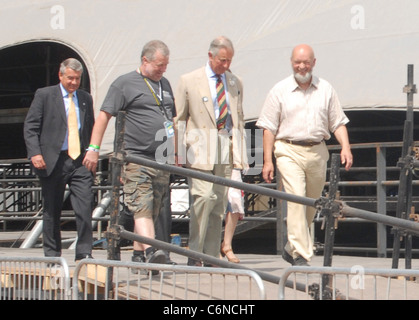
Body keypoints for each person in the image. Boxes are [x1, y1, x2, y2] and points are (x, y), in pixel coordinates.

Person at [256, 44, 353, 266]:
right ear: (291, 62)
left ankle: (291, 248)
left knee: (311, 202)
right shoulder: (279, 90)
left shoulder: (326, 89)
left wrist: (346, 147)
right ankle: (301, 254)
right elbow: (268, 128)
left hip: (318, 150)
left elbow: (337, 122)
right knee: (297, 199)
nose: (301, 66)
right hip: (288, 149)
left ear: (314, 63)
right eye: (297, 62)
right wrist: (267, 161)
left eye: (306, 62)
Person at [83, 40, 175, 267]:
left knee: (153, 207)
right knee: (141, 204)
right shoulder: (124, 84)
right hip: (136, 156)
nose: (163, 69)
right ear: (145, 60)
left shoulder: (165, 84)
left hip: (162, 157)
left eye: (165, 65)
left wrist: (176, 153)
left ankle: (137, 253)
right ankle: (153, 252)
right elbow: (104, 116)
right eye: (159, 65)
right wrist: (94, 149)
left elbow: (171, 120)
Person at [174, 36, 247, 266]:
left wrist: (240, 155)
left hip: (226, 143)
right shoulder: (188, 80)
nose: (225, 66)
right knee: (203, 197)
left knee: (218, 202)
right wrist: (176, 150)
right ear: (210, 56)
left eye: (229, 61)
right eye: (222, 61)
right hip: (199, 145)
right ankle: (195, 252)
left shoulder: (235, 82)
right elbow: (179, 118)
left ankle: (212, 254)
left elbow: (239, 120)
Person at [24, 58, 95, 261]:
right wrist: (35, 153)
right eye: (70, 78)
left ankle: (84, 253)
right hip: (52, 160)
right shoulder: (45, 95)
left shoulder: (85, 98)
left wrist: (92, 152)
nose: (74, 82)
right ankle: (52, 255)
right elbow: (31, 127)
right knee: (52, 210)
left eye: (77, 79)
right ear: (60, 75)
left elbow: (89, 128)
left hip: (79, 160)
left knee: (84, 207)